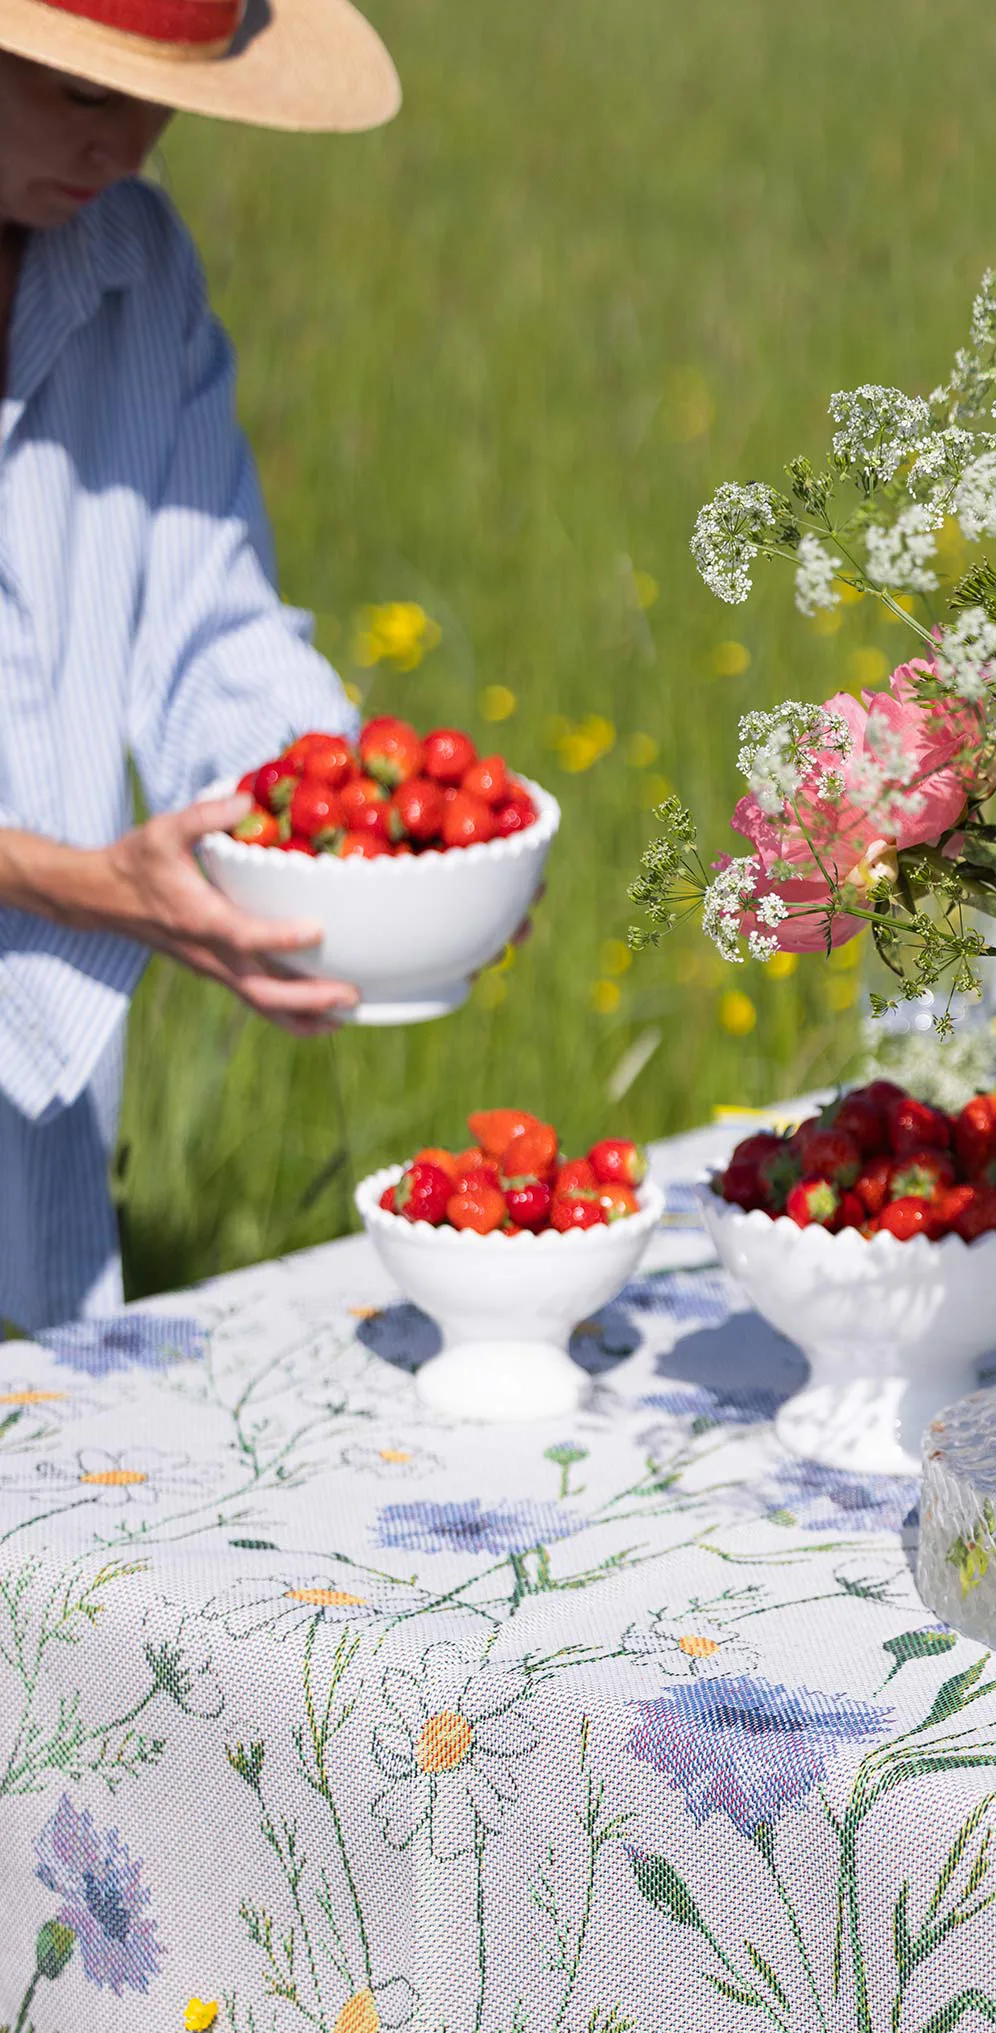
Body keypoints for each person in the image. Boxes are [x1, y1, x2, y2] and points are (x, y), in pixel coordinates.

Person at [0, 0, 400, 1334]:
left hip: (38, 1076)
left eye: (159, 96)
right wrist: (68, 880)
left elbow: (209, 629)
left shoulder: (133, 262)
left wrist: (370, 847)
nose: (125, 146)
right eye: (78, 95)